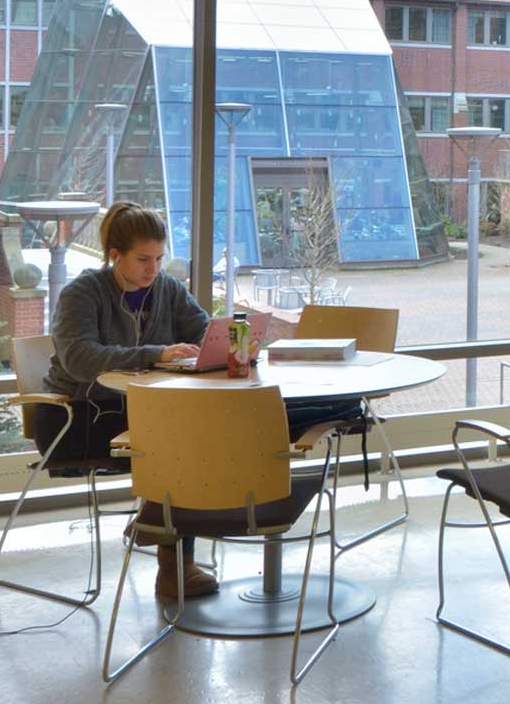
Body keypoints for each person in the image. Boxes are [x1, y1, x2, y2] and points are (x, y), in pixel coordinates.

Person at [39, 202, 359, 600]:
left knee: (197, 428)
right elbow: (80, 358)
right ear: (114, 255)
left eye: (158, 258)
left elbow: (206, 333)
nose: (152, 270)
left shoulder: (166, 290)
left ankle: (161, 522)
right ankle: (173, 564)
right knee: (183, 437)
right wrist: (155, 354)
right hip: (81, 416)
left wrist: (230, 343)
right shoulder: (82, 293)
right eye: (142, 260)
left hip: (147, 411)